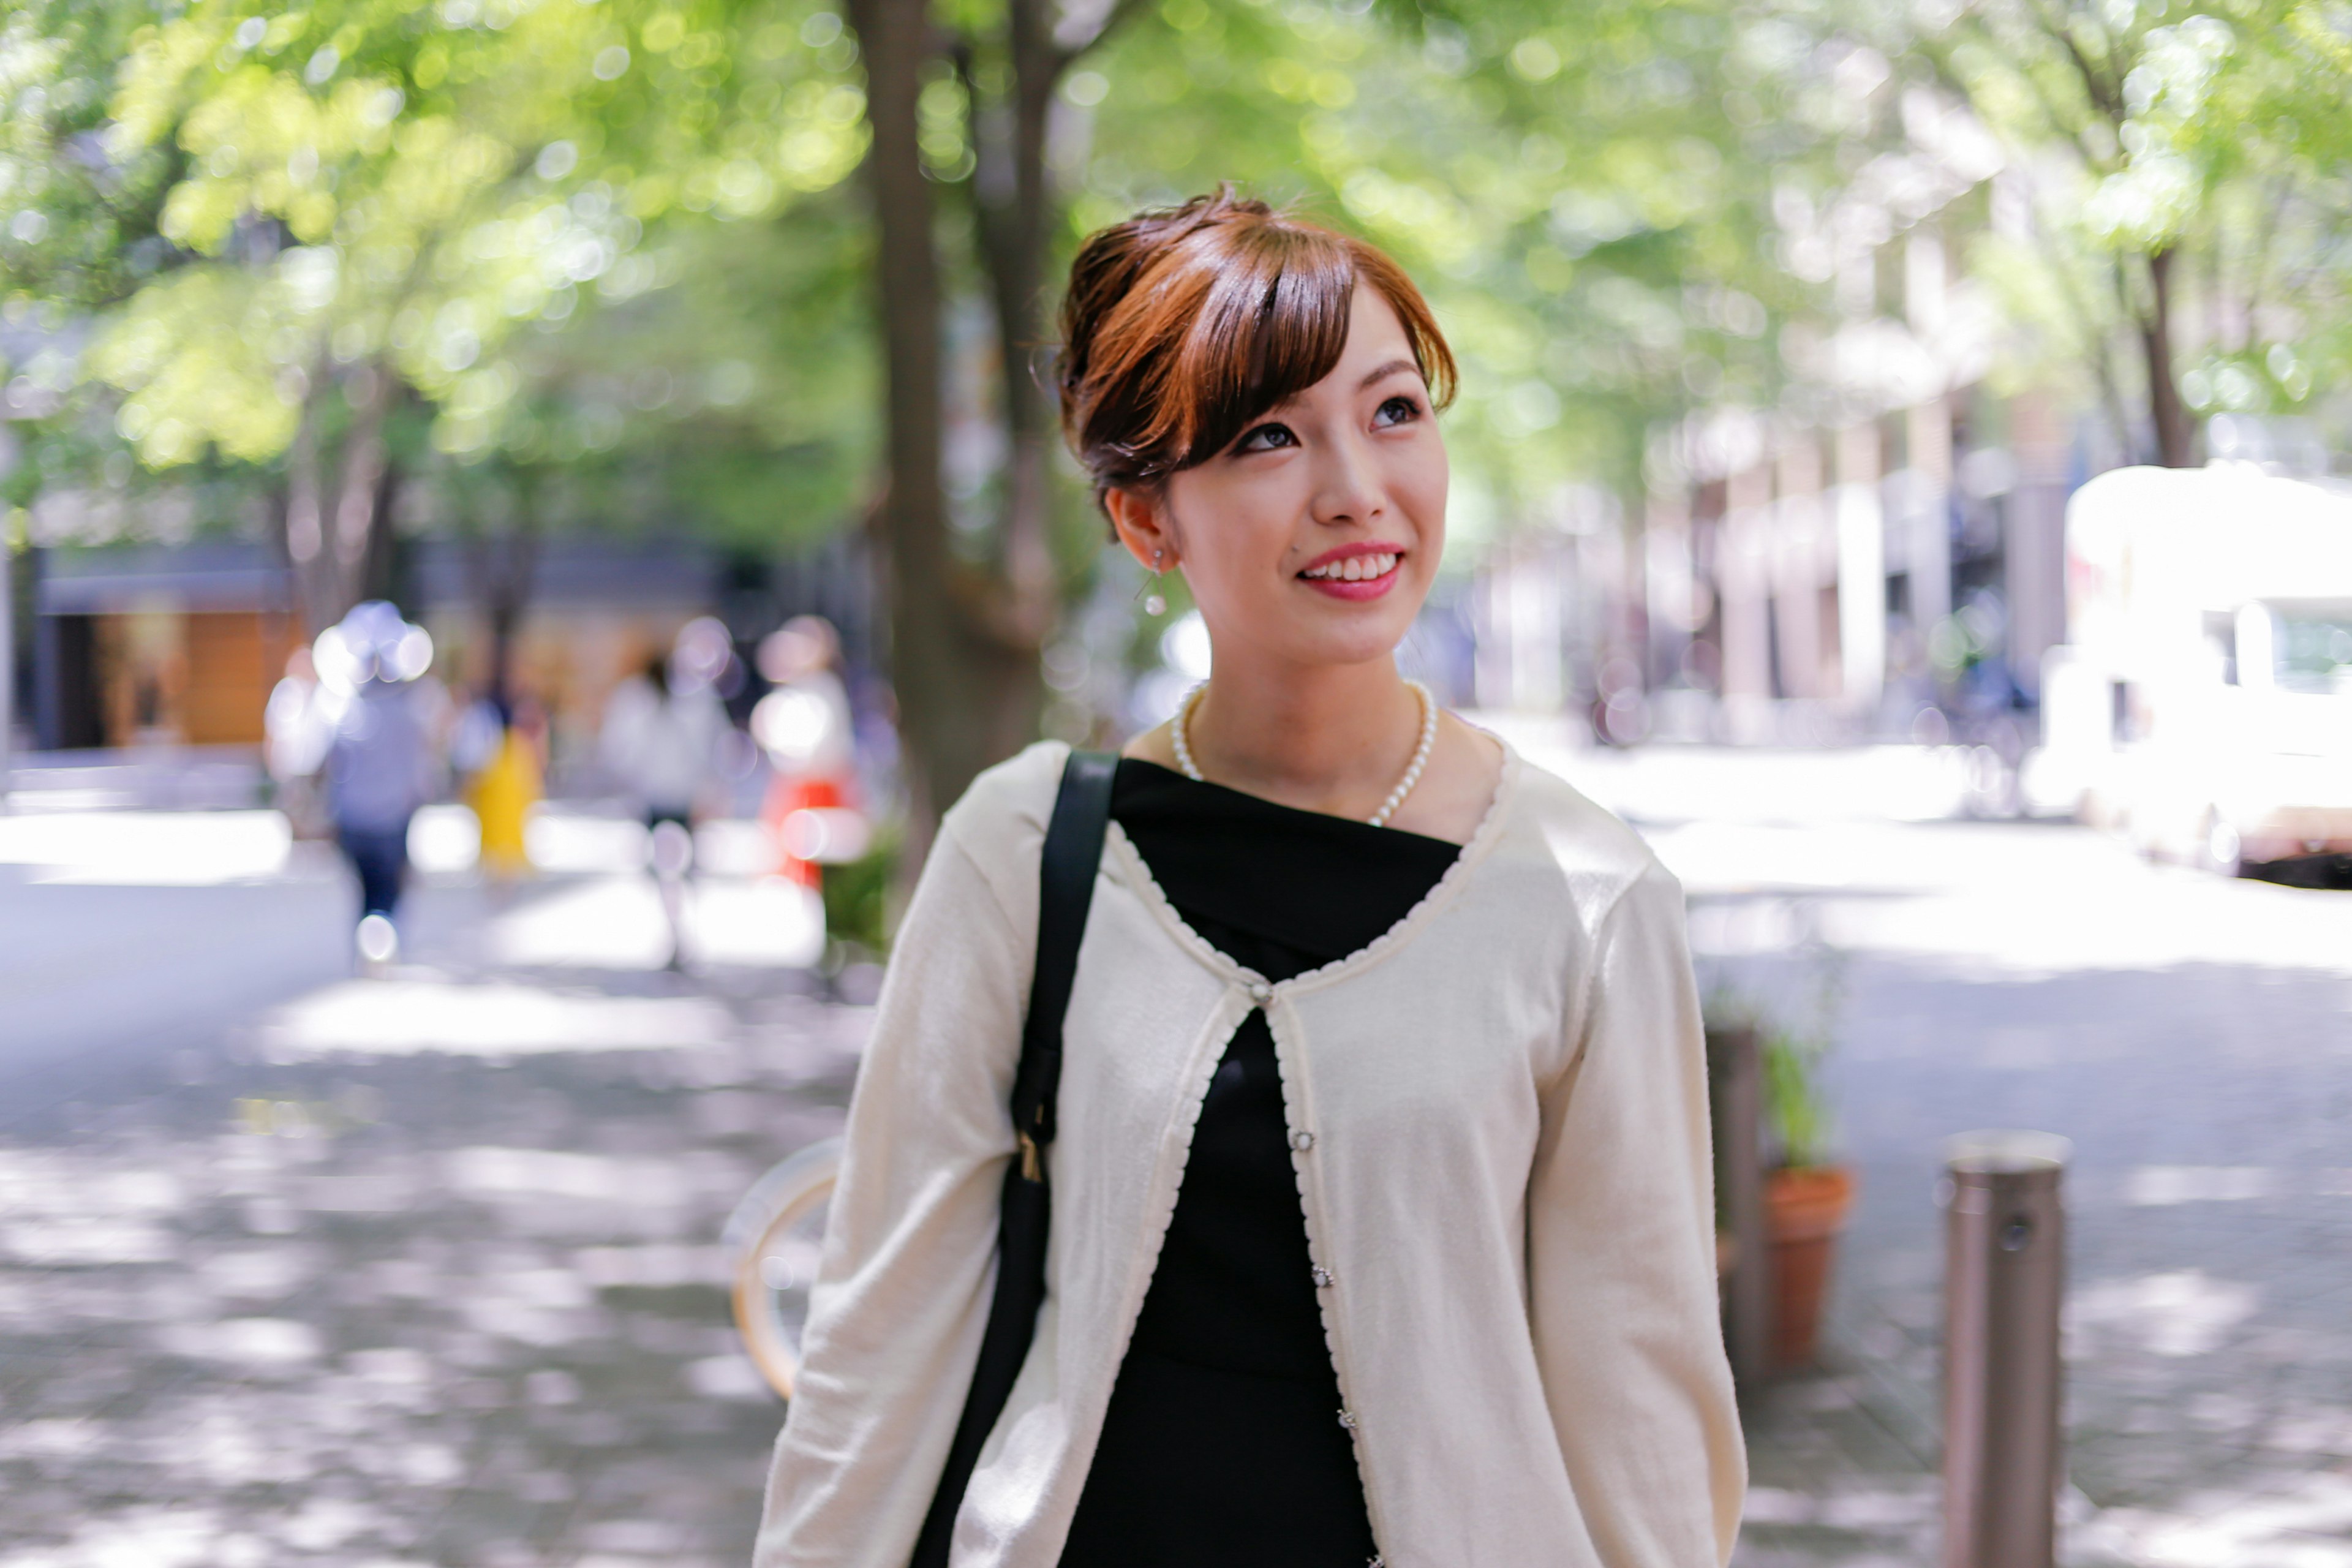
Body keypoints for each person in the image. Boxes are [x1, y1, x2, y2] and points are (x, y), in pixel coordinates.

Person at [755, 192, 1744, 1567]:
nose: (1354, 484)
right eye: (1269, 435)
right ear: (1147, 520)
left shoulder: (1584, 893)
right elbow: (879, 1336)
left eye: (1394, 410)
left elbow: (1638, 1398)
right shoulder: (1029, 851)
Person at [318, 601, 439, 970]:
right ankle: (381, 942)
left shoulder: (341, 709)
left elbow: (325, 766)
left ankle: (369, 945)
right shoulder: (410, 709)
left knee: (367, 891)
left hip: (354, 819)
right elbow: (421, 769)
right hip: (391, 818)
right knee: (386, 890)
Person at [751, 615, 860, 889]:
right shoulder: (798, 690)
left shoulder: (824, 688)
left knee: (815, 847)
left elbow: (818, 741)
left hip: (818, 781)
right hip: (797, 782)